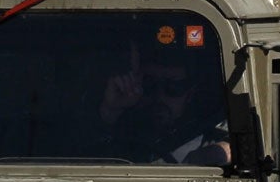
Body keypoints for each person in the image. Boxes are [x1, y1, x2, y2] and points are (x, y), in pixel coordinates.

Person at [97, 32, 229, 165]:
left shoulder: (208, 133)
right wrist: (109, 111)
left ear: (190, 93)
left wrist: (218, 153)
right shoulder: (122, 126)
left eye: (174, 87)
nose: (160, 96)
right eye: (150, 85)